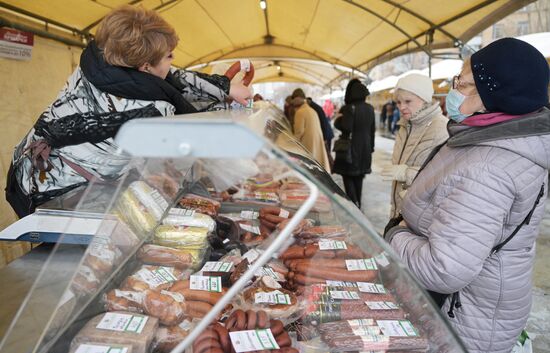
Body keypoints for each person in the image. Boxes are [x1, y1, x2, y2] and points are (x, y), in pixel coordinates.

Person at [5, 5, 251, 218]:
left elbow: (169, 75)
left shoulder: (102, 58)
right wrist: (226, 112)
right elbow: (189, 154)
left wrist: (225, 87)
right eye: (169, 55)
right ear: (145, 66)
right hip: (53, 193)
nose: (174, 59)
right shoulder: (151, 110)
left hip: (25, 165)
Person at [384, 38, 550, 353]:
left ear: (493, 95)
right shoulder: (481, 139)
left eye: (463, 83)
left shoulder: (488, 167)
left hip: (465, 319)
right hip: (466, 308)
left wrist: (394, 234)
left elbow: (444, 268)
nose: (454, 89)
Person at [381, 73, 448, 218]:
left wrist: (407, 173)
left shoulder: (441, 128)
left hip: (422, 216)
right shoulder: (405, 125)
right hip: (399, 210)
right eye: (398, 102)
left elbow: (445, 176)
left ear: (424, 99)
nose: (402, 107)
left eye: (408, 101)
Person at [332, 79, 375, 209]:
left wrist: (337, 120)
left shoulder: (349, 108)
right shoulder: (370, 108)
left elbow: (346, 127)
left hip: (350, 148)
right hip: (365, 148)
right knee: (359, 176)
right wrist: (371, 147)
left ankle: (353, 204)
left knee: (348, 175)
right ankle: (358, 203)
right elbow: (372, 130)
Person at [290, 89, 330, 172]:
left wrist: (291, 144)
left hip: (309, 145)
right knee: (318, 168)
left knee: (312, 170)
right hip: (316, 143)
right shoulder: (311, 110)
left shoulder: (300, 112)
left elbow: (299, 132)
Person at [307, 97, 335, 170]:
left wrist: (324, 138)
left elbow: (323, 123)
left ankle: (329, 169)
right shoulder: (315, 107)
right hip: (326, 132)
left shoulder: (315, 108)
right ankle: (328, 168)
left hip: (327, 133)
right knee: (326, 154)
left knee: (327, 154)